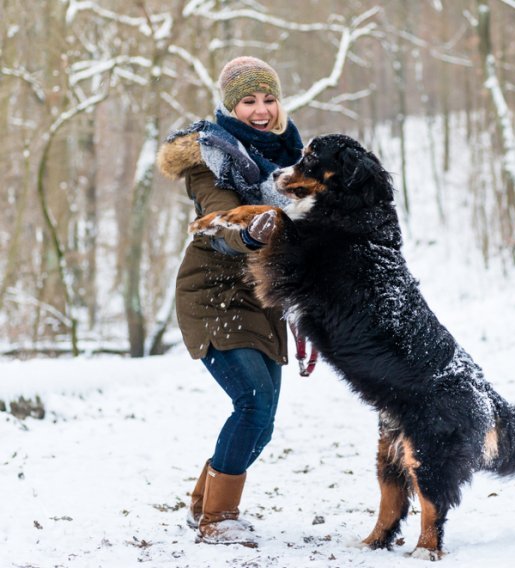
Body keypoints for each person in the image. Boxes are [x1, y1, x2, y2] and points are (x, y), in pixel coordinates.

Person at [156, 56, 303, 547]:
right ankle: (219, 520)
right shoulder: (208, 157)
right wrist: (253, 233)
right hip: (214, 293)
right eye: (248, 100)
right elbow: (220, 223)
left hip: (264, 300)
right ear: (230, 105)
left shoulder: (291, 160)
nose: (260, 110)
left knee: (263, 423)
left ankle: (202, 502)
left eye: (268, 98)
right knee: (253, 405)